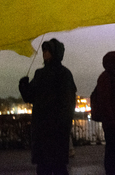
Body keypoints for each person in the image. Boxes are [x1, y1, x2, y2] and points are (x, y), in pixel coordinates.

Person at [19, 38, 77, 175]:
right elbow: (30, 97)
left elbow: (67, 103)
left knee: (58, 167)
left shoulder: (64, 74)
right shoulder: (40, 73)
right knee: (43, 166)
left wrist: (63, 124)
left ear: (55, 53)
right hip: (41, 127)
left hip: (56, 128)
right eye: (44, 50)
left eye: (48, 51)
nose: (45, 53)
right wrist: (24, 87)